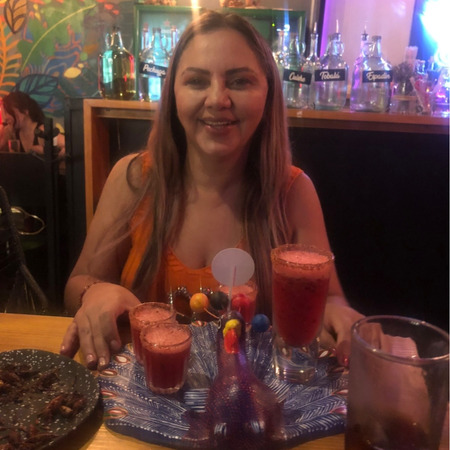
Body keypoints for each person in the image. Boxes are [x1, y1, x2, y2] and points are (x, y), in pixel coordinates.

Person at [60, 11, 363, 371]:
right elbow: (76, 284)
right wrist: (94, 292)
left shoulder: (294, 192)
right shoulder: (133, 179)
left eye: (239, 81)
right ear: (173, 93)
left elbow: (331, 301)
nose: (218, 98)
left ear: (268, 92)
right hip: (139, 395)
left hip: (252, 399)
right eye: (196, 81)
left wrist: (339, 317)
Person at [0, 91, 65, 157]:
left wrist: (45, 152)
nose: (6, 117)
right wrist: (3, 140)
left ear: (25, 111)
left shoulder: (42, 131)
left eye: (9, 112)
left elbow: (67, 146)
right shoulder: (11, 132)